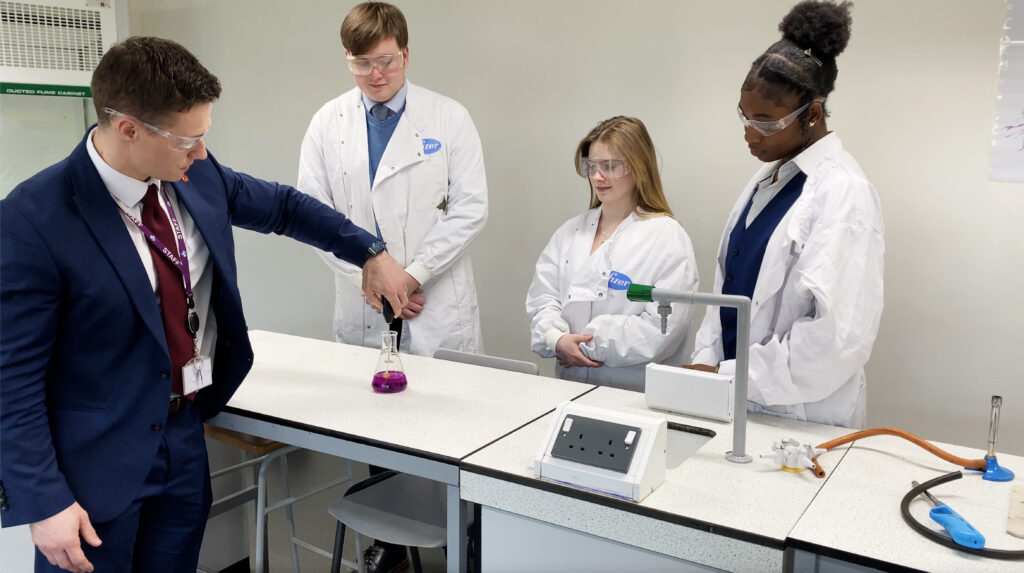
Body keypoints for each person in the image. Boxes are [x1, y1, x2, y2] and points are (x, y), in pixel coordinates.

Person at [0, 36, 409, 573]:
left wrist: (370, 252)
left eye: (203, 136)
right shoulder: (33, 220)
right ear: (128, 129)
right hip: (93, 468)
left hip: (183, 437)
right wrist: (42, 500)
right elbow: (11, 379)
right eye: (186, 140)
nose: (199, 152)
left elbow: (285, 208)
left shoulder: (195, 175)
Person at [689, 0, 885, 428]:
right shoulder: (768, 179)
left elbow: (834, 342)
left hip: (796, 415)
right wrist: (706, 360)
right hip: (730, 396)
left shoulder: (844, 193)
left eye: (765, 122)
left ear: (811, 113)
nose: (749, 134)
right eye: (744, 117)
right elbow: (726, 289)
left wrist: (729, 376)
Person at [297, 1, 488, 358]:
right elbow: (313, 214)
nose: (375, 74)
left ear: (405, 55)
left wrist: (411, 277)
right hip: (363, 301)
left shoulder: (449, 117)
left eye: (386, 61)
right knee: (362, 391)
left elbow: (470, 208)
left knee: (445, 392)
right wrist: (369, 279)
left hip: (434, 299)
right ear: (347, 58)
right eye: (362, 63)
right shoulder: (326, 123)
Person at [526, 116, 699, 391]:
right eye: (591, 166)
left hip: (634, 395)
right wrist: (555, 338)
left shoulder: (667, 238)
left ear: (639, 167)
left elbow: (662, 329)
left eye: (610, 166)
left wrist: (586, 344)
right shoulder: (570, 233)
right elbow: (543, 298)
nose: (597, 176)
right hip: (568, 387)